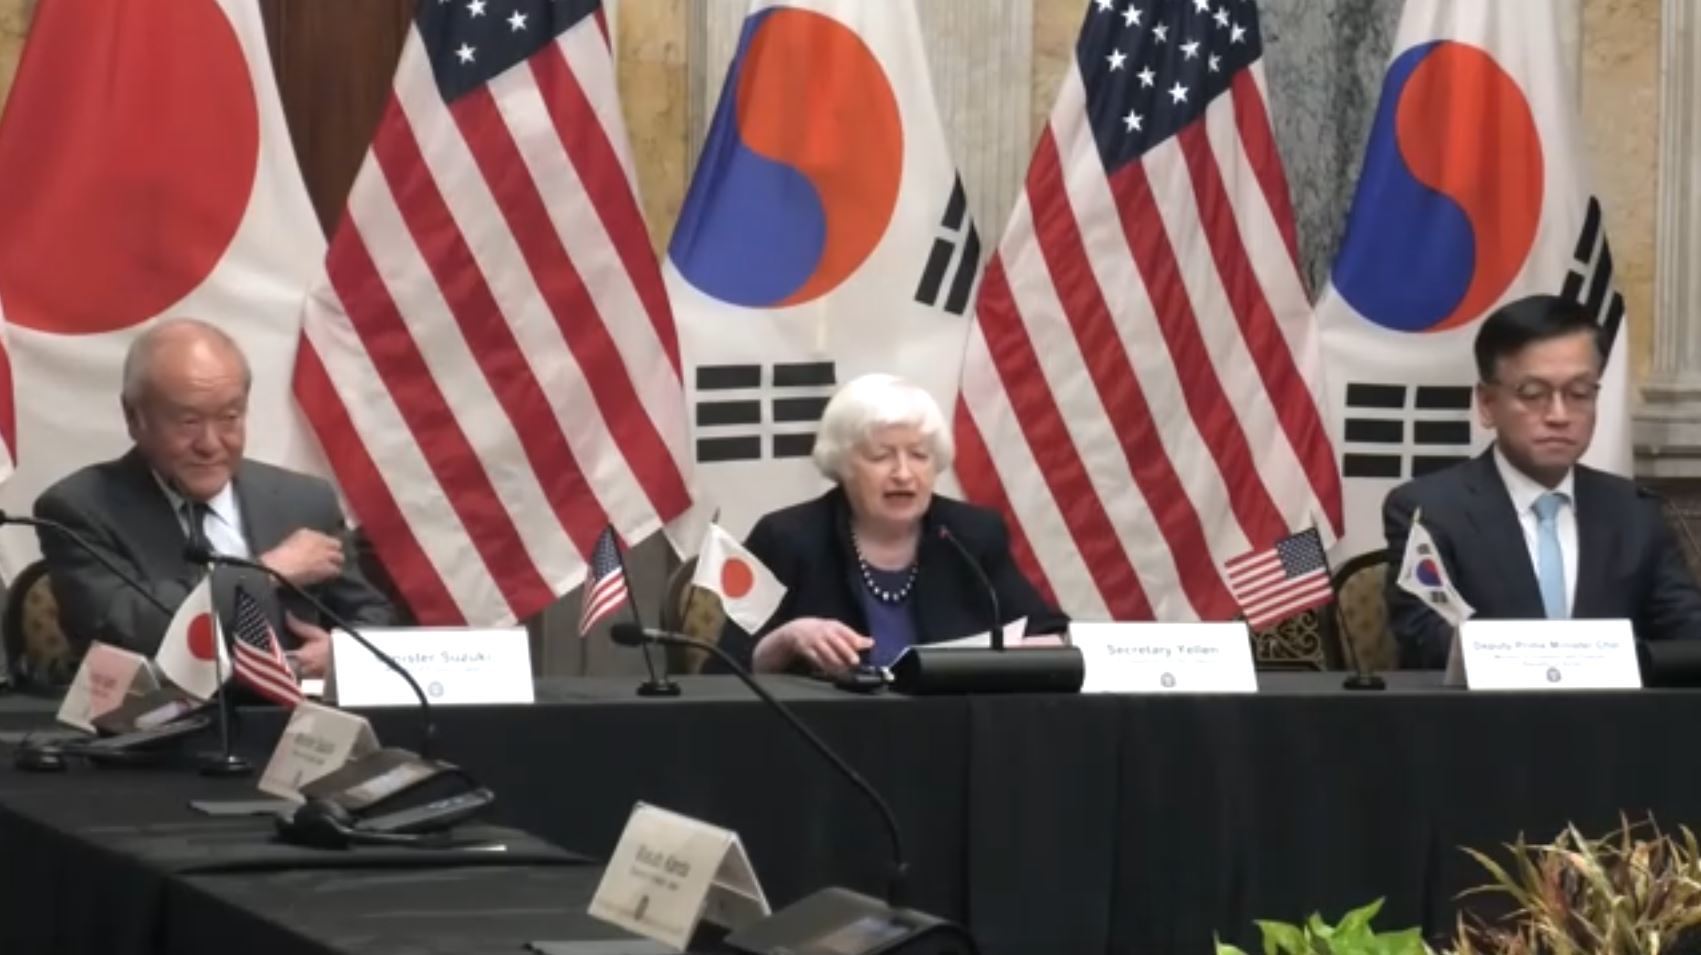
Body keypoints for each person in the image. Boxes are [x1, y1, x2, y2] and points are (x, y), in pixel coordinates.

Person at [34, 318, 395, 675]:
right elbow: (124, 630)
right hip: (168, 712)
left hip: (298, 709)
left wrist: (343, 653)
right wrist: (265, 573)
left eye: (229, 418)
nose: (209, 444)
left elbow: (374, 616)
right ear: (134, 417)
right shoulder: (79, 509)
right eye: (188, 422)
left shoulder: (304, 501)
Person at [1383, 295, 1701, 668]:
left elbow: (1688, 636)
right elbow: (1427, 640)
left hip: (1613, 707)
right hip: (1487, 706)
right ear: (1487, 404)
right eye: (1533, 394)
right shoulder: (1429, 511)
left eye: (1579, 393)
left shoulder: (1635, 511)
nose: (1559, 415)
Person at [718, 373, 1068, 674]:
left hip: (957, 725)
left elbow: (1047, 633)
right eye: (881, 456)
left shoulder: (971, 534)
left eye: (919, 455)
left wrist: (1029, 651)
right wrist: (786, 640)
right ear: (842, 464)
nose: (903, 473)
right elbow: (718, 666)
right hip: (822, 727)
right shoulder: (785, 538)